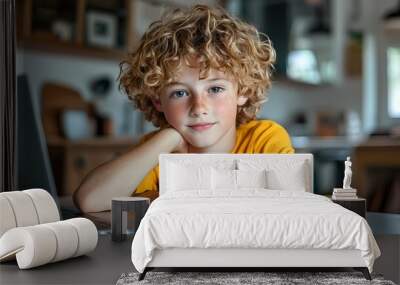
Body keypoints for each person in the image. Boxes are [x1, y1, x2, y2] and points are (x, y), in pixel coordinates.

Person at [73, 4, 294, 213]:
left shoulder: (265, 139)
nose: (198, 107)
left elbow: (294, 208)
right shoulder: (158, 153)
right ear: (157, 100)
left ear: (242, 91)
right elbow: (90, 201)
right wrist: (167, 139)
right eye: (179, 93)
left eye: (215, 89)